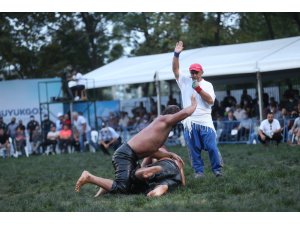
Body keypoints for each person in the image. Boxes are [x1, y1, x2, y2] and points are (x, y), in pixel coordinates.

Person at [75, 95, 197, 195]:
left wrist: (170, 154)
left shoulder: (163, 127)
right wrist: (194, 103)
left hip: (130, 155)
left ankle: (106, 186)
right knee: (122, 188)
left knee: (135, 186)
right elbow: (186, 112)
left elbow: (152, 151)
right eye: (177, 116)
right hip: (125, 154)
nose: (179, 119)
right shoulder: (164, 120)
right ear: (173, 116)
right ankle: (89, 177)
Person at [172, 41, 223, 178]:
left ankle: (217, 170)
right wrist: (176, 54)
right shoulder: (185, 81)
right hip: (189, 121)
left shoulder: (207, 85)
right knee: (193, 149)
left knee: (211, 147)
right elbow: (175, 70)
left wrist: (198, 89)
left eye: (196, 72)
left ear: (201, 72)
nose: (193, 74)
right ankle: (199, 172)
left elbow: (211, 101)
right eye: (191, 72)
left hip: (205, 120)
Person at [93, 146, 185, 197]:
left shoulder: (158, 150)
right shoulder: (175, 159)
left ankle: (146, 177)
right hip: (174, 169)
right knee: (166, 183)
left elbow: (144, 164)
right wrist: (182, 183)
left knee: (136, 175)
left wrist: (141, 170)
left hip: (160, 166)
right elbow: (183, 181)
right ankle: (161, 187)